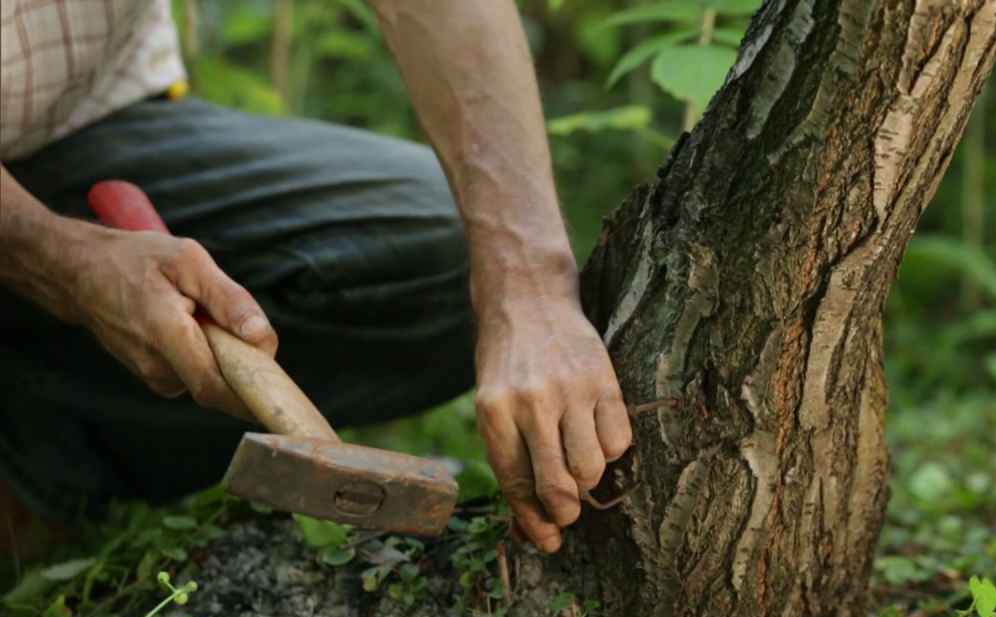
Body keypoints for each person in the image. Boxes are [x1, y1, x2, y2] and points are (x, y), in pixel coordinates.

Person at [0, 0, 631, 558]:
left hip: (87, 126)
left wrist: (526, 284)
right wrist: (62, 260)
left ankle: (50, 456)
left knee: (442, 247)